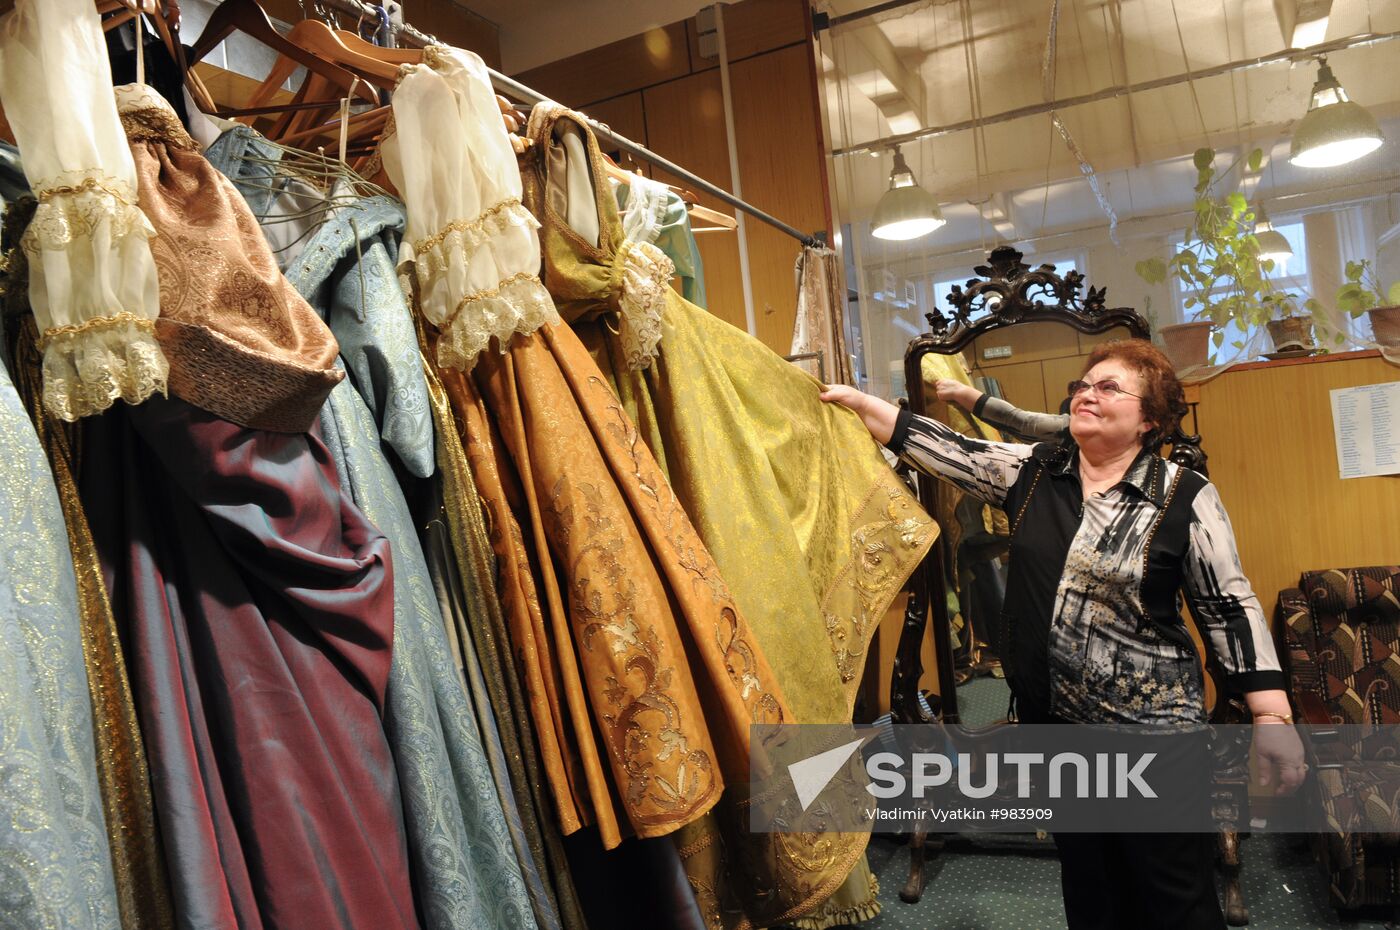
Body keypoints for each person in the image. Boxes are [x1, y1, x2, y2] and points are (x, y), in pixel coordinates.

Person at [820, 338, 1305, 930]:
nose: (1087, 395)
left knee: (1171, 891)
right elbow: (939, 444)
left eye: (1109, 388)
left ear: (1149, 419)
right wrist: (847, 400)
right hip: (1057, 729)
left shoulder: (1183, 496)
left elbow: (1229, 606)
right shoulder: (1032, 471)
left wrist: (1271, 719)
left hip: (1155, 737)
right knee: (1089, 884)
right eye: (1084, 385)